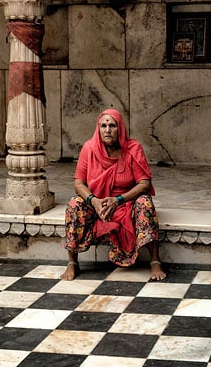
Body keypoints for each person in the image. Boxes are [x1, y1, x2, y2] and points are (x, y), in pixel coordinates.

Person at [61, 108, 166, 281]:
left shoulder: (133, 148)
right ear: (98, 128)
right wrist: (93, 201)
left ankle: (155, 260)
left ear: (120, 129)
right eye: (103, 125)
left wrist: (118, 200)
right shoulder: (89, 148)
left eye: (112, 125)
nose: (107, 130)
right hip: (97, 204)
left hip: (125, 203)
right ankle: (72, 262)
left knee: (145, 203)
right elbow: (78, 182)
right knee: (74, 204)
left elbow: (144, 183)